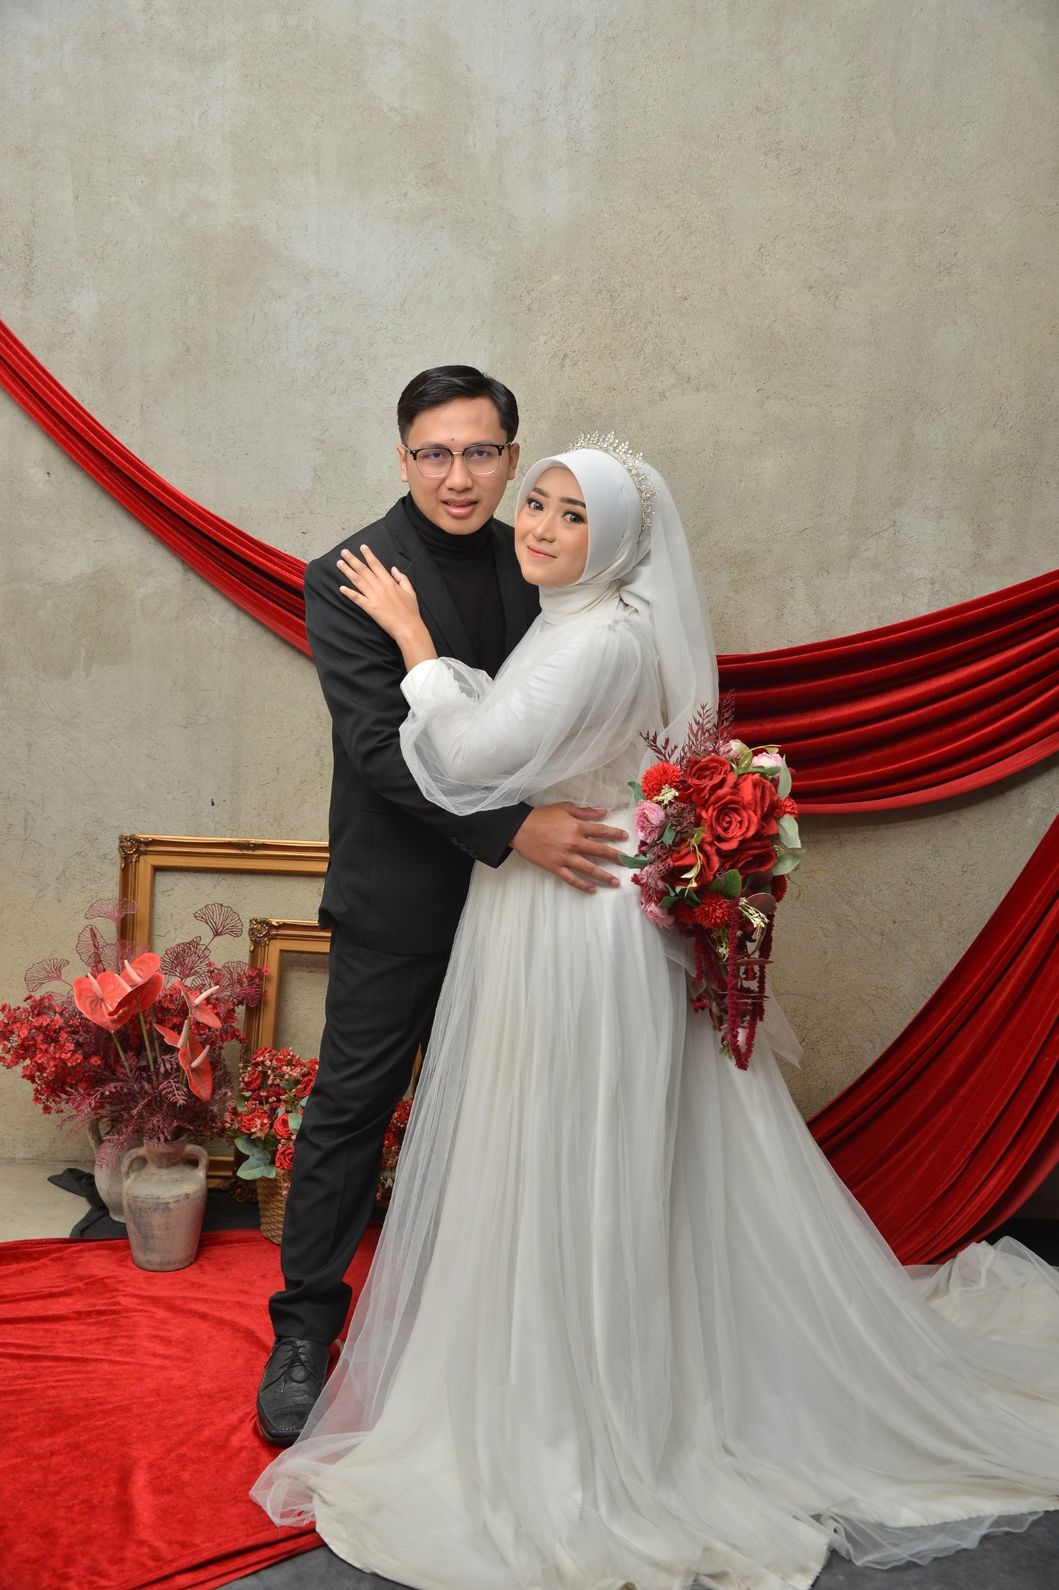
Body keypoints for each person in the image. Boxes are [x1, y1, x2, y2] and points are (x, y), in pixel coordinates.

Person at [254, 441, 1059, 1589]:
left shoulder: (599, 637)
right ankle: (564, 1361)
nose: (538, 526)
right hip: (568, 898)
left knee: (569, 1149)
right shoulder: (591, 619)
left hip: (574, 920)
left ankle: (578, 1402)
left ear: (621, 540)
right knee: (579, 1149)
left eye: (569, 514)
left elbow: (473, 755)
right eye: (537, 503)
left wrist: (419, 647)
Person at [257, 373, 630, 1446]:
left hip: (531, 909)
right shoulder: (349, 573)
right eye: (434, 453)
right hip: (405, 893)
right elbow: (381, 751)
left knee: (505, 1112)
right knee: (351, 1109)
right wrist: (512, 830)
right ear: (403, 457)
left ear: (512, 456)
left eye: (480, 452)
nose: (457, 477)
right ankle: (304, 1331)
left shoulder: (544, 554)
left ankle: (483, 1326)